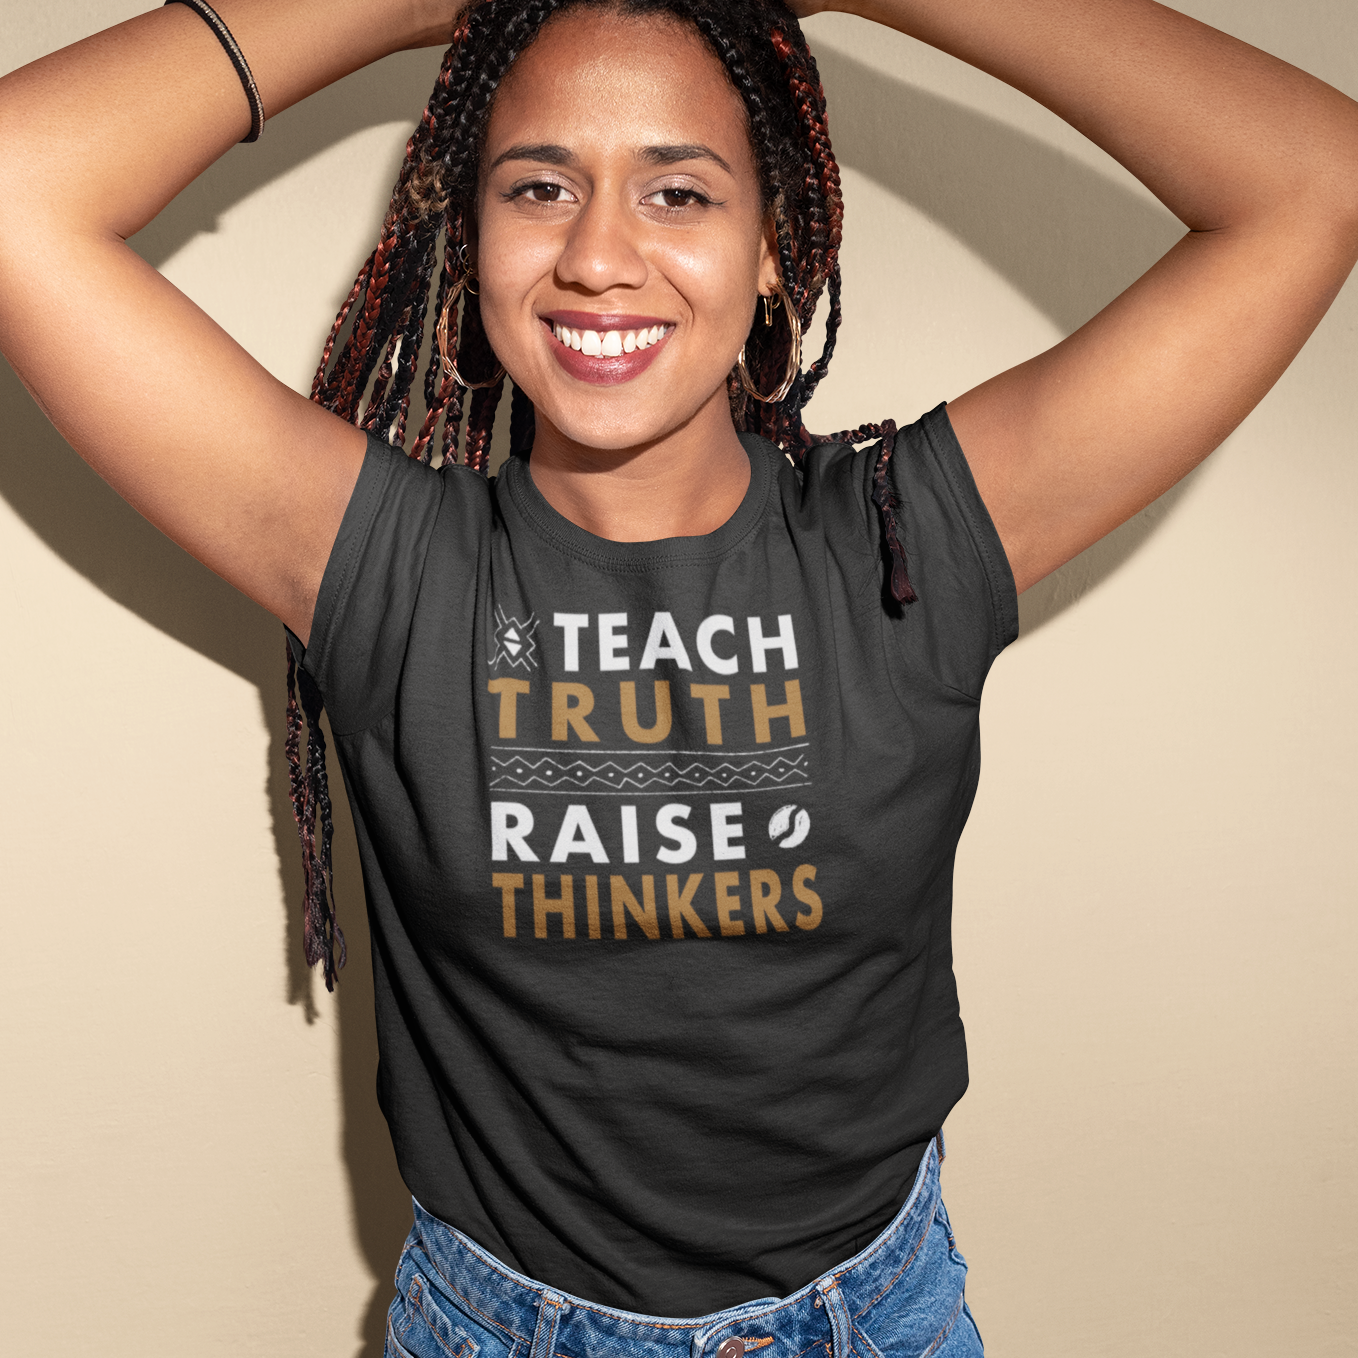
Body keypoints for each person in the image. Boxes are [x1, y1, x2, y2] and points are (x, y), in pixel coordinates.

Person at [1, 0, 1355, 1353]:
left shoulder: (910, 543)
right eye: (539, 185)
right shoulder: (382, 565)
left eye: (677, 189)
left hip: (872, 1319)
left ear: (772, 249)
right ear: (470, 241)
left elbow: (1313, 177)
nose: (598, 255)